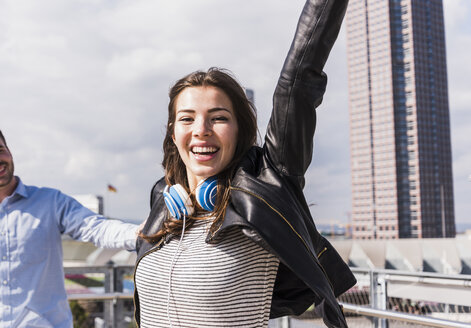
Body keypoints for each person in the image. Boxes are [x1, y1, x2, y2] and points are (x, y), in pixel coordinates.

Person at [135, 0, 355, 327]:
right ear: (173, 131)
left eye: (218, 118)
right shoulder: (165, 202)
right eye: (187, 118)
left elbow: (296, 86)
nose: (201, 131)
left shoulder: (264, 187)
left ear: (240, 131)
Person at [0, 130, 140, 328]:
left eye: (1, 150)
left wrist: (141, 234)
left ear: (10, 151)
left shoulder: (50, 202)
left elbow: (96, 227)